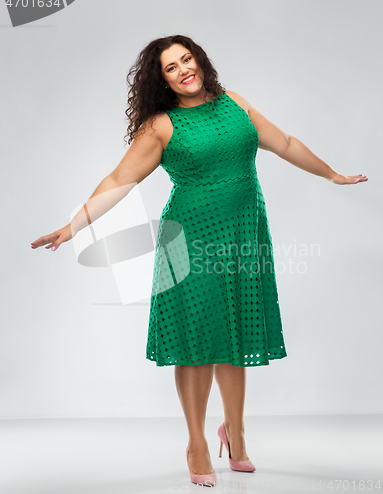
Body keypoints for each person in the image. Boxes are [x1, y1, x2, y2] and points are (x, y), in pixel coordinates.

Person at [31, 34, 368, 487]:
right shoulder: (162, 126)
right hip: (189, 241)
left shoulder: (235, 102)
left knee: (237, 330)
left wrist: (332, 174)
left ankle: (238, 432)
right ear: (162, 79)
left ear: (200, 60)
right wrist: (74, 226)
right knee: (196, 344)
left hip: (244, 232)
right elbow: (119, 178)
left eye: (186, 59)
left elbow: (285, 142)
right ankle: (196, 442)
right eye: (171, 67)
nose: (183, 70)